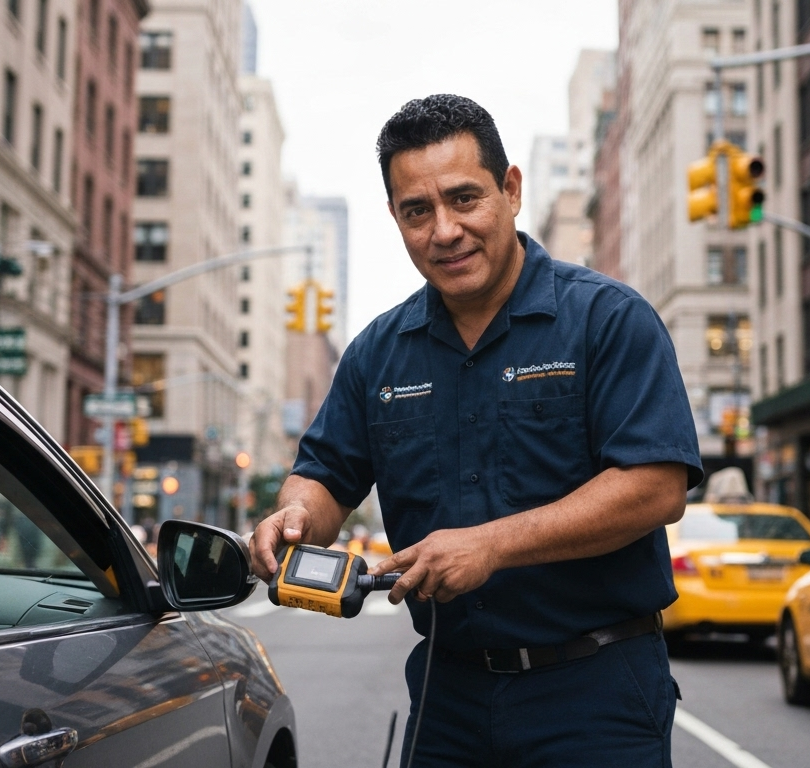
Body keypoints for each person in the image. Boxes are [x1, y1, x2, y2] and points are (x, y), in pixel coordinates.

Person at [250, 94, 702, 767]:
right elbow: (323, 475)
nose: (445, 230)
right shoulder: (376, 352)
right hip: (447, 695)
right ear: (396, 219)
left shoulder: (608, 320)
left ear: (511, 190)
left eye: (465, 199)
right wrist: (292, 518)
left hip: (596, 691)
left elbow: (657, 488)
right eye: (417, 211)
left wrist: (492, 545)